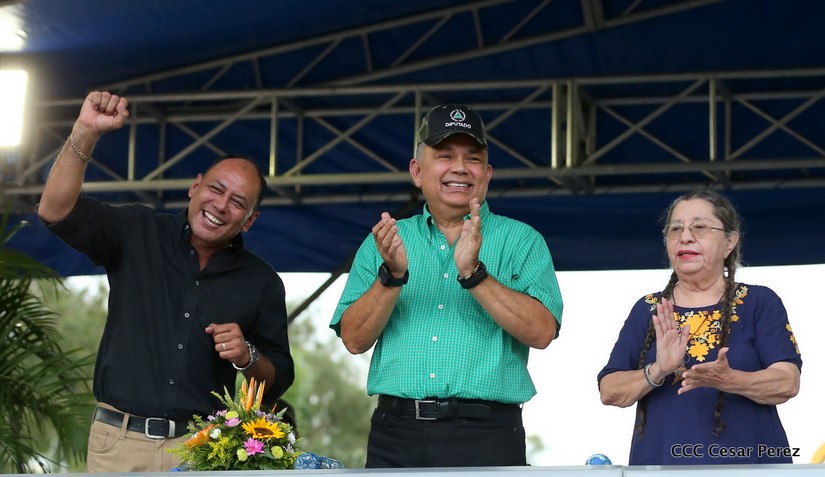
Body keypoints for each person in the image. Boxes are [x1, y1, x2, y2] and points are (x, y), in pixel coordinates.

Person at [37, 91, 294, 472]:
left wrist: (247, 356)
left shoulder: (261, 281)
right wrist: (86, 131)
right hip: (118, 442)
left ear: (250, 221)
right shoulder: (136, 231)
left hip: (201, 448)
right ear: (195, 187)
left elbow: (279, 377)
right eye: (216, 189)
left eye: (238, 203)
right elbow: (54, 211)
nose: (221, 205)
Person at [330, 103, 564, 467]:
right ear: (417, 171)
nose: (460, 167)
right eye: (444, 156)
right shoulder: (386, 240)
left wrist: (474, 274)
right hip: (396, 433)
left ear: (487, 174)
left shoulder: (521, 240)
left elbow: (542, 332)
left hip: (487, 434)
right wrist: (391, 276)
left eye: (473, 158)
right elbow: (353, 340)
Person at [598, 190, 802, 465]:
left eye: (699, 227)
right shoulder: (648, 309)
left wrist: (730, 380)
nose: (685, 237)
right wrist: (658, 370)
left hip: (749, 466)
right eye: (675, 229)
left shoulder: (759, 302)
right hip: (663, 466)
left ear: (729, 242)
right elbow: (609, 390)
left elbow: (787, 382)